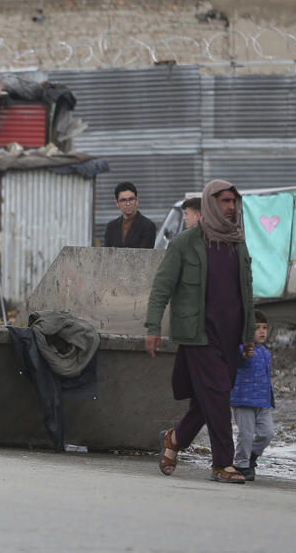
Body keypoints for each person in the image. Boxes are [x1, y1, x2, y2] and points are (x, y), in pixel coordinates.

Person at [145, 179, 256, 484]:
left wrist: (248, 335)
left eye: (234, 201)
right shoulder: (186, 243)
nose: (231, 207)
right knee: (218, 396)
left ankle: (175, 438)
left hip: (230, 336)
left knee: (208, 400)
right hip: (198, 335)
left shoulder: (238, 243)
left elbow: (245, 291)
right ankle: (222, 463)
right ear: (210, 203)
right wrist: (152, 326)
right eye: (225, 201)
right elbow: (161, 287)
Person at [231, 310, 274, 481]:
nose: (262, 331)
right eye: (257, 328)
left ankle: (251, 457)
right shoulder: (242, 349)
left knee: (267, 433)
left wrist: (269, 398)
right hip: (243, 400)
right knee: (246, 434)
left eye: (264, 327)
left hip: (263, 402)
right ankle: (241, 465)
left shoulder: (265, 352)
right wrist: (242, 353)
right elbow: (238, 359)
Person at [103, 182, 156, 248]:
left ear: (137, 201)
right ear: (117, 203)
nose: (128, 203)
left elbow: (145, 254)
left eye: (131, 199)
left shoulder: (148, 226)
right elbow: (106, 253)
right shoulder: (111, 227)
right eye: (123, 200)